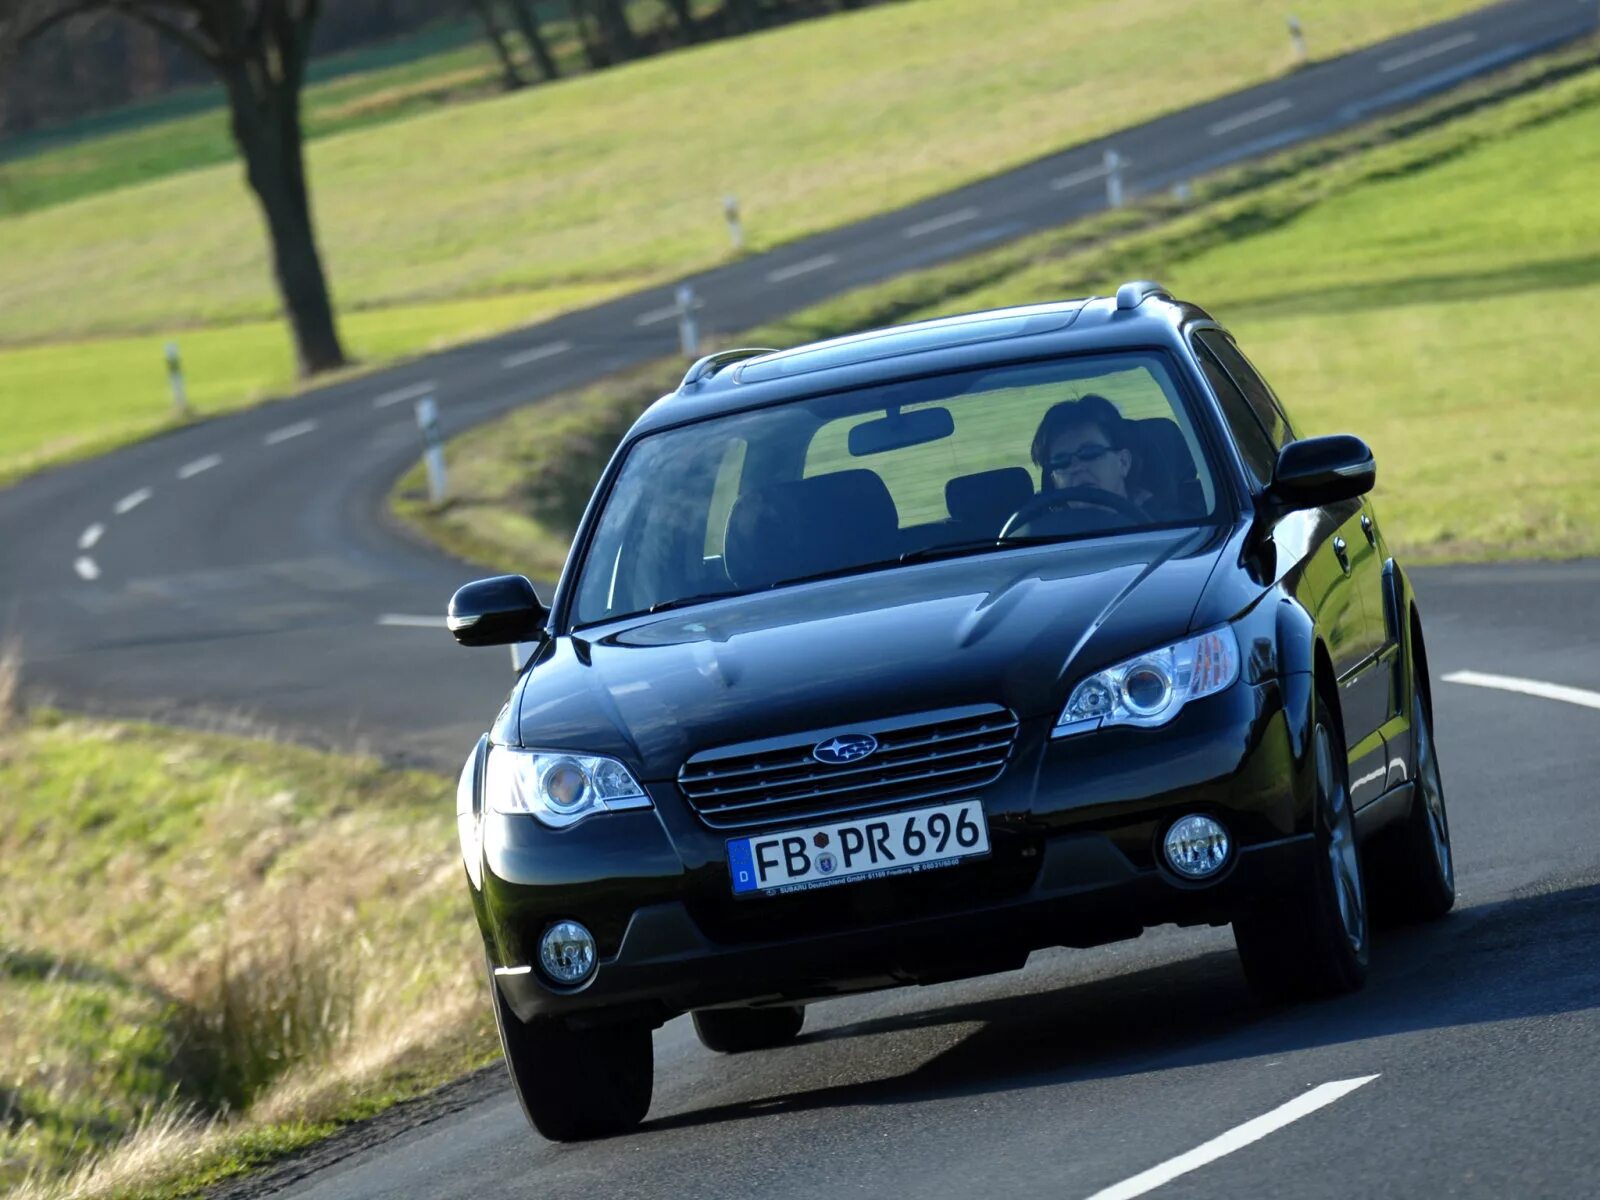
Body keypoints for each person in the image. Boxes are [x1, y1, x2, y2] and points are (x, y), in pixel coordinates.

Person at [1025, 393, 1160, 527]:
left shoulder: (1167, 528)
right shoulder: (1040, 539)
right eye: (1061, 462)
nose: (1076, 467)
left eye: (1090, 453)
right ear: (1054, 480)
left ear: (1123, 462)